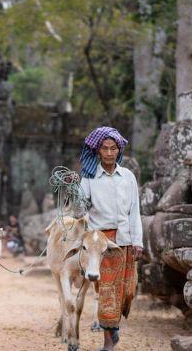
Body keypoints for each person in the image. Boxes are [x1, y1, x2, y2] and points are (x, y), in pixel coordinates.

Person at [79, 126, 143, 351]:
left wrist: (138, 241)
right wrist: (72, 188)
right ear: (98, 151)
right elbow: (81, 206)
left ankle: (113, 327)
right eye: (104, 148)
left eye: (112, 148)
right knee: (106, 290)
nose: (108, 153)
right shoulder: (88, 178)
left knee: (127, 290)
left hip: (125, 238)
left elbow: (134, 210)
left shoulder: (128, 177)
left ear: (119, 150)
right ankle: (107, 341)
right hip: (101, 242)